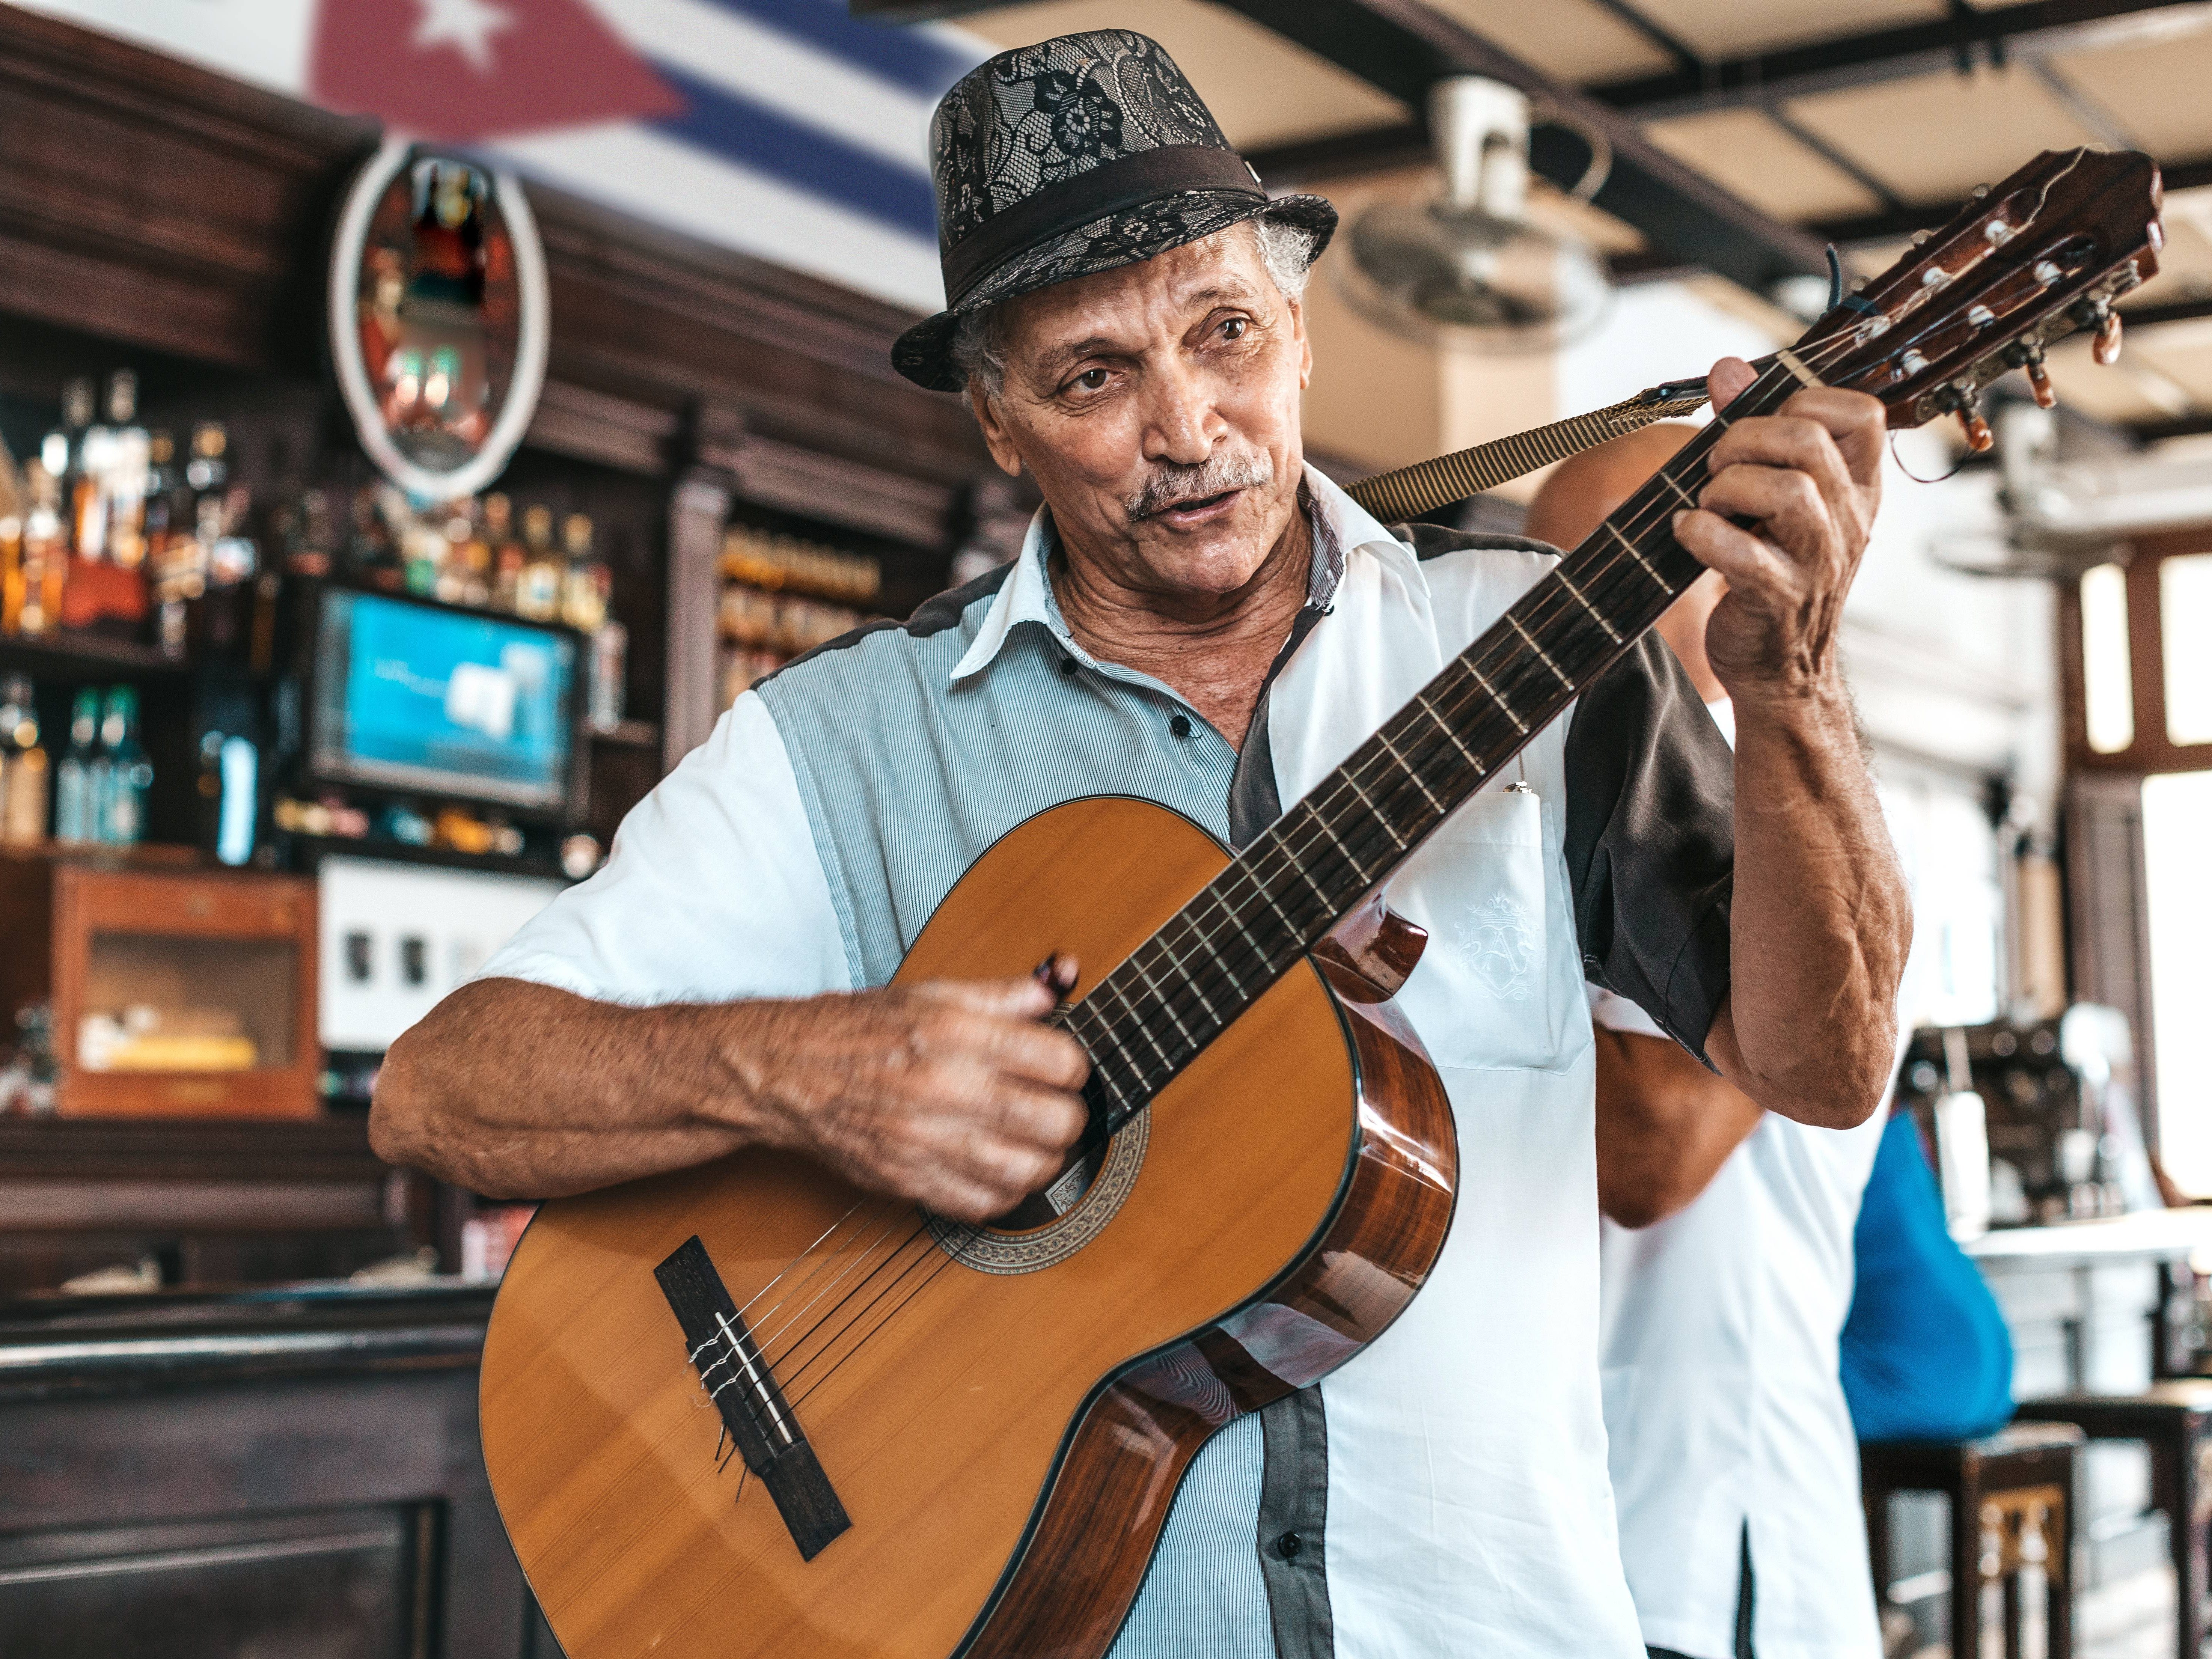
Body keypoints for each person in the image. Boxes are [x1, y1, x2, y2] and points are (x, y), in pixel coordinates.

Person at [371, 31, 1911, 1659]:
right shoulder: (847, 741)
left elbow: (1820, 1066)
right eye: (1094, 374)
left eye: (1225, 334)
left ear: (1299, 334)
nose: (1189, 425)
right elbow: (445, 1089)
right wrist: (818, 1070)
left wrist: (1790, 688)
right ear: (1000, 420)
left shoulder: (1532, 653)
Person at [1528, 424, 1893, 1659]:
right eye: (1544, 573)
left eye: (1596, 575)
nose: (1551, 623)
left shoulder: (1807, 832)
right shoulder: (1552, 812)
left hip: (1706, 1539)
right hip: (1543, 1540)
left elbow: (1653, 1153)